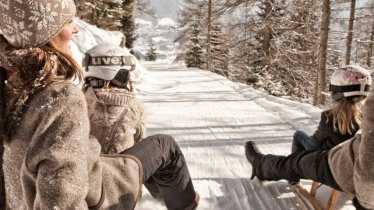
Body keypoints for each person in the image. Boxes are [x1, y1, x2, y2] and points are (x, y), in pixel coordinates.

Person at [0, 1, 198, 210]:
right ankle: (184, 204)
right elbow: (63, 201)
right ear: (45, 33)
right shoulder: (59, 98)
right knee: (165, 147)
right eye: (68, 21)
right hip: (101, 193)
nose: (75, 28)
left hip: (40, 193)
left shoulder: (10, 89)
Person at [245, 67, 374, 210]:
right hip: (351, 164)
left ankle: (287, 173)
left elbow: (316, 142)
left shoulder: (329, 116)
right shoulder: (366, 118)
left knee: (298, 137)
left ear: (337, 93)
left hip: (330, 162)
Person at [292, 65, 371, 153]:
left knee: (298, 135)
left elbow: (315, 144)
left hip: (332, 160)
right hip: (354, 159)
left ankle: (292, 165)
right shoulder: (369, 117)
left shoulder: (329, 117)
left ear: (336, 92)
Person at [83, 44, 145, 154]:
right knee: (164, 143)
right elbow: (140, 146)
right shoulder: (136, 107)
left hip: (86, 169)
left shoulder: (79, 101)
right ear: (121, 75)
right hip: (120, 169)